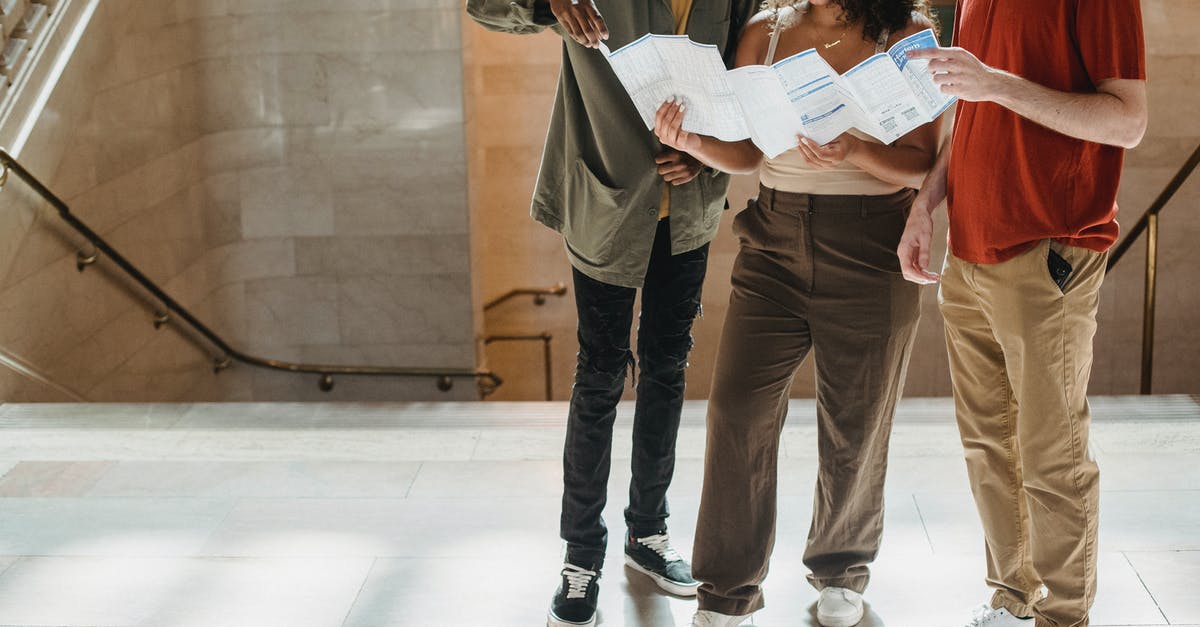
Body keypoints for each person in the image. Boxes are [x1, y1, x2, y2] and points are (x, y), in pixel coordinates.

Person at [464, 2, 756, 626]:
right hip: (607, 202)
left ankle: (647, 534)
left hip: (690, 207)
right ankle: (581, 556)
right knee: (598, 374)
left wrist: (707, 154)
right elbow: (484, 9)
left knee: (667, 369)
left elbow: (744, 80)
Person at [653, 1, 942, 625]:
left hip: (871, 245)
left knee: (857, 423)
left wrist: (852, 152)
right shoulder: (766, 29)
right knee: (737, 410)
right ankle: (727, 593)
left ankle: (841, 569)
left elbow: (924, 161)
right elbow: (747, 154)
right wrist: (693, 143)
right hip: (773, 239)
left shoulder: (908, 35)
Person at [896, 1, 1147, 625]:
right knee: (988, 447)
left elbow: (1128, 121)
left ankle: (1062, 616)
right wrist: (926, 203)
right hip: (970, 250)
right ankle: (1013, 601)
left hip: (1048, 251)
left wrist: (993, 82)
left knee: (1050, 454)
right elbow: (969, 107)